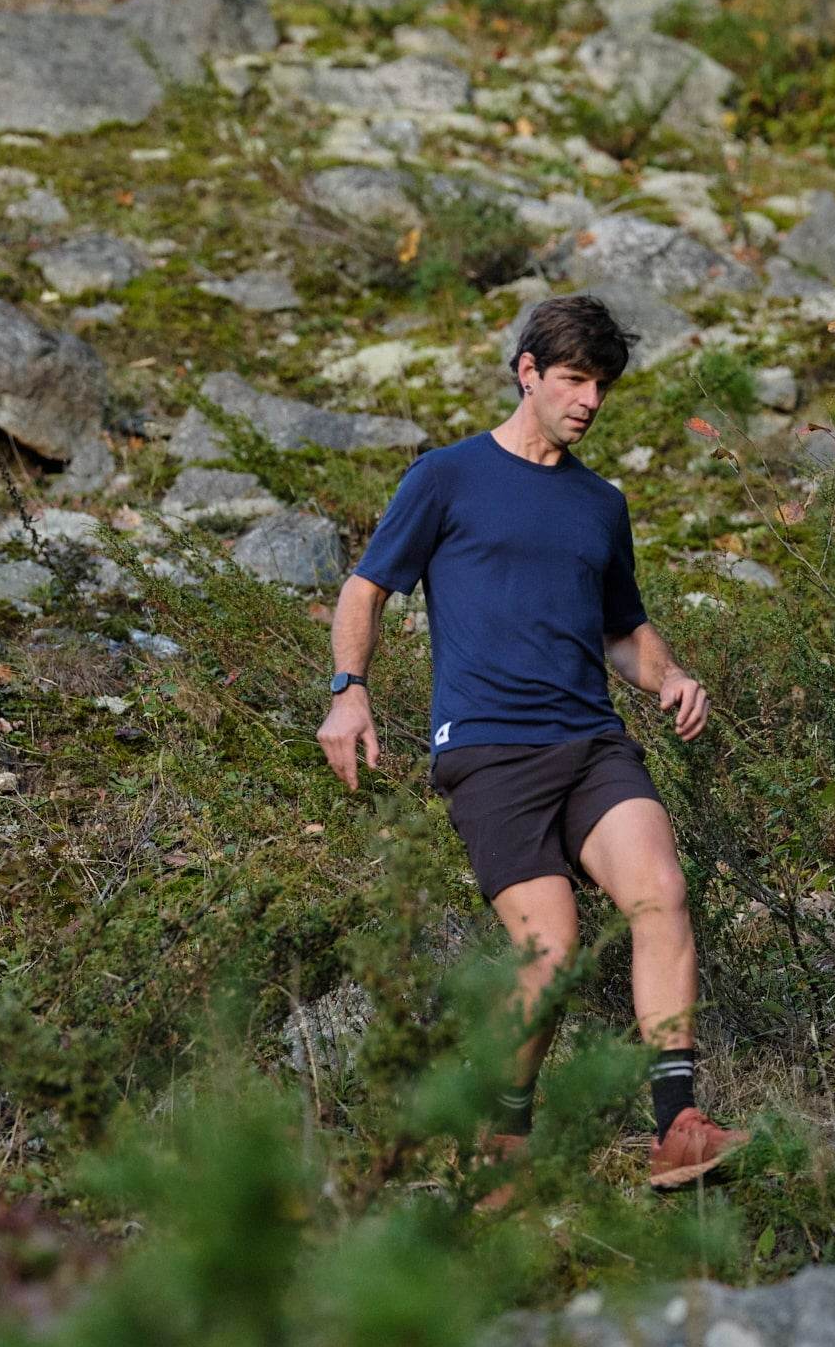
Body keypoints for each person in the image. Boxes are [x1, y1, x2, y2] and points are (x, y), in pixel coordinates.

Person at [314, 293, 750, 1191]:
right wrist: (349, 691)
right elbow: (366, 590)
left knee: (660, 888)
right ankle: (500, 1139)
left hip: (591, 740)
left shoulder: (601, 503)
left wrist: (666, 676)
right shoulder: (447, 475)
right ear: (527, 373)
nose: (589, 401)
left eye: (602, 386)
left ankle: (679, 1128)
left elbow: (622, 628)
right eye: (573, 380)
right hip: (488, 751)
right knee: (547, 953)